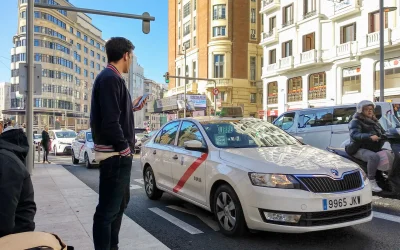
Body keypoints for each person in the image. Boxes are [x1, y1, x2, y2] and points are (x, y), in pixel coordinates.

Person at [90, 37, 146, 250]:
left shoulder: (111, 79)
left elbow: (115, 113)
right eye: (131, 56)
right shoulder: (110, 79)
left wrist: (132, 106)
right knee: (107, 212)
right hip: (115, 156)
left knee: (119, 205)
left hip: (117, 155)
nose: (130, 61)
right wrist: (125, 150)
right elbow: (110, 122)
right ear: (126, 55)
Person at [0, 126, 36, 237]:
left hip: (16, 235)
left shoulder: (8, 162)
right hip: (18, 231)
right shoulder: (9, 159)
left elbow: (5, 217)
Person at [346, 100, 385, 192]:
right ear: (361, 110)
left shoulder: (375, 121)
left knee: (389, 153)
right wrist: (369, 136)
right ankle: (371, 181)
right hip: (358, 148)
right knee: (373, 157)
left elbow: (383, 132)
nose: (370, 111)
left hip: (372, 147)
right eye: (366, 109)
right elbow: (355, 134)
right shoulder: (355, 121)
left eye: (371, 109)